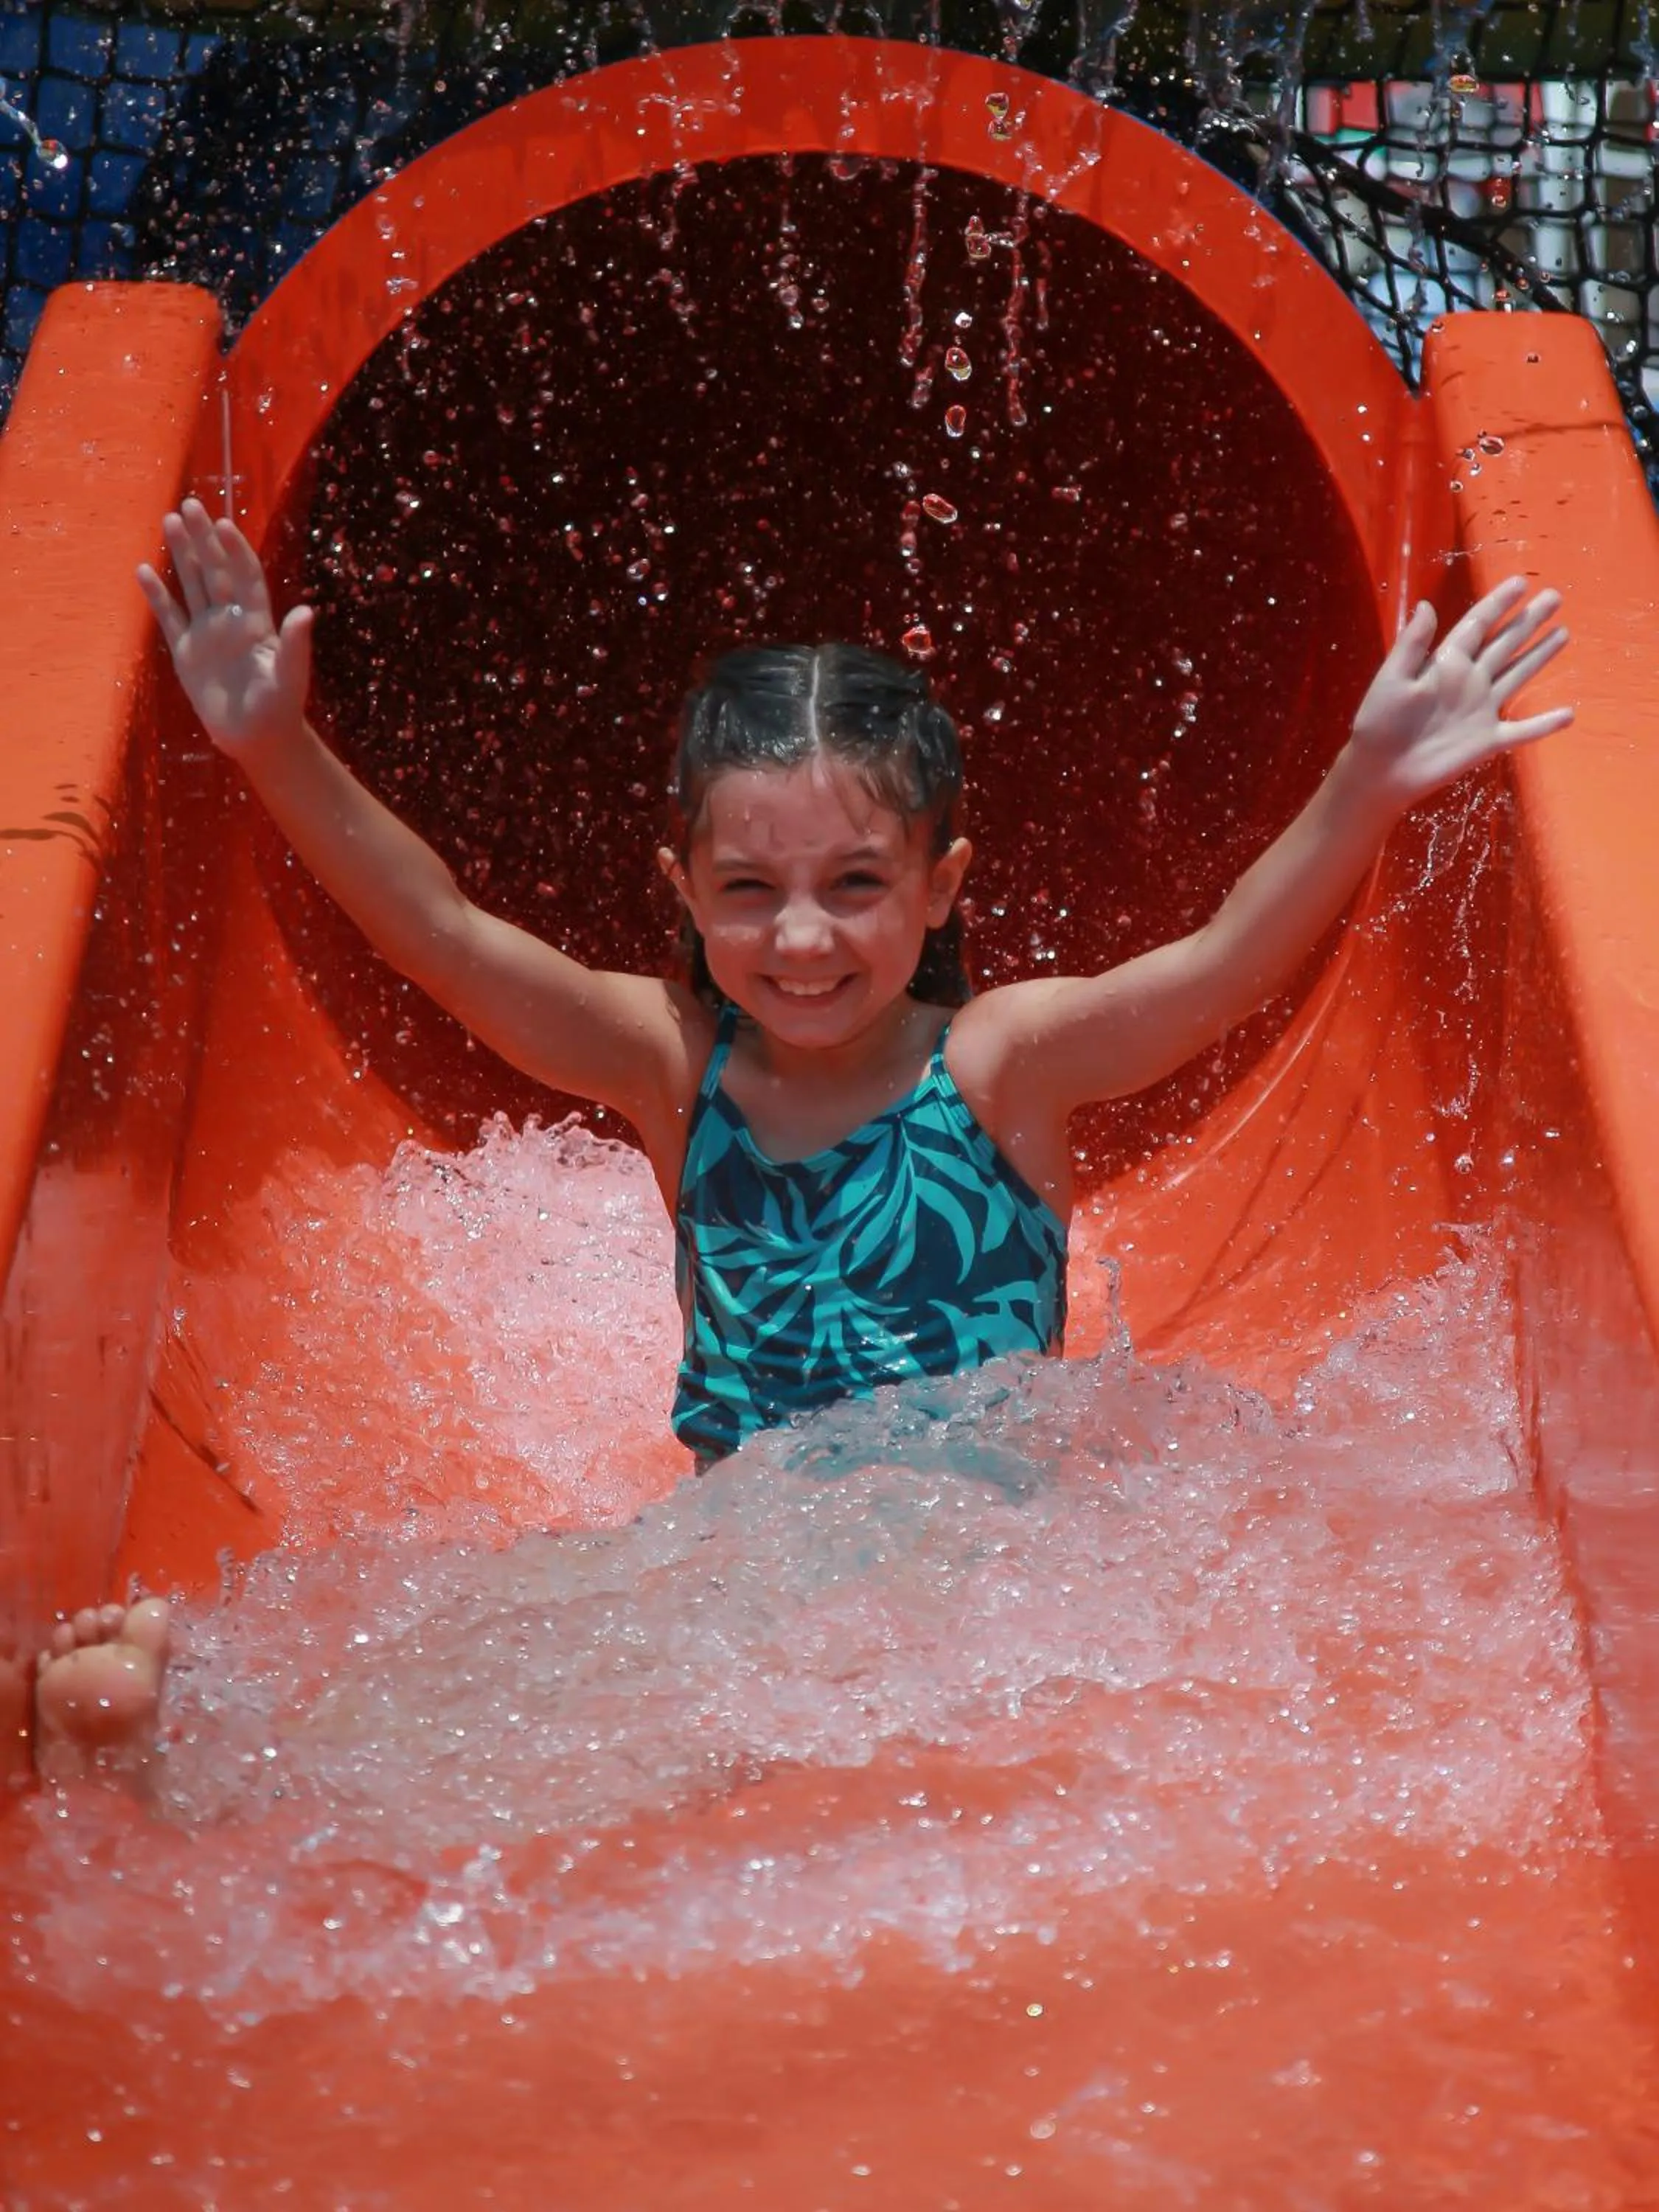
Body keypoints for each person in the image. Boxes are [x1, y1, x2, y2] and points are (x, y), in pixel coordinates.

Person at [32, 498, 1572, 1782]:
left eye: (855, 882)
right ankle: (200, 1718)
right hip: (742, 1558)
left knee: (606, 1768)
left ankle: (189, 1771)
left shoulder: (1004, 1066)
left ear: (942, 885)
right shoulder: (673, 1066)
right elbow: (443, 937)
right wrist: (272, 750)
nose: (804, 937)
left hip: (983, 1583)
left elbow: (1226, 963)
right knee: (495, 1661)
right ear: (683, 892)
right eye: (750, 890)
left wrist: (1367, 778)